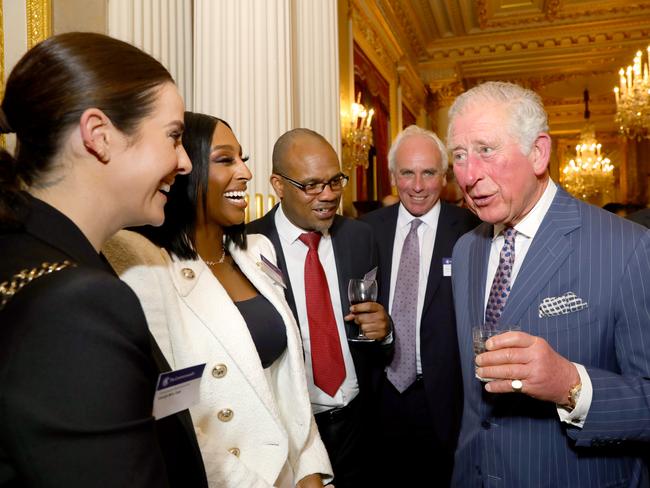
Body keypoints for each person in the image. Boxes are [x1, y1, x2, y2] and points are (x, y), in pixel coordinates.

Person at [0, 32, 207, 487]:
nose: (186, 162)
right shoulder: (73, 306)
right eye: (174, 136)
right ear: (99, 136)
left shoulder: (36, 253)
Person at [104, 113, 332, 488]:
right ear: (184, 170)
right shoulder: (149, 269)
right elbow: (170, 413)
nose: (245, 172)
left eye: (243, 159)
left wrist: (310, 470)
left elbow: (285, 386)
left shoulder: (258, 252)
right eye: (226, 160)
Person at [448, 81, 650, 486]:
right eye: (459, 155)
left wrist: (570, 385)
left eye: (486, 150)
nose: (469, 175)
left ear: (538, 153)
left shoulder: (626, 247)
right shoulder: (467, 250)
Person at [247, 128, 392, 488]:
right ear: (278, 185)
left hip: (361, 425)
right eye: (311, 185)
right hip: (293, 432)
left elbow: (377, 326)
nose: (328, 196)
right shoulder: (246, 247)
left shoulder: (360, 238)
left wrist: (384, 331)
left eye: (335, 181)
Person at [361, 125, 479, 487]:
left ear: (444, 177)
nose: (417, 185)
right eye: (407, 173)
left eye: (428, 173)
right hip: (378, 396)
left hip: (445, 401)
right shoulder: (363, 230)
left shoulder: (471, 231)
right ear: (393, 175)